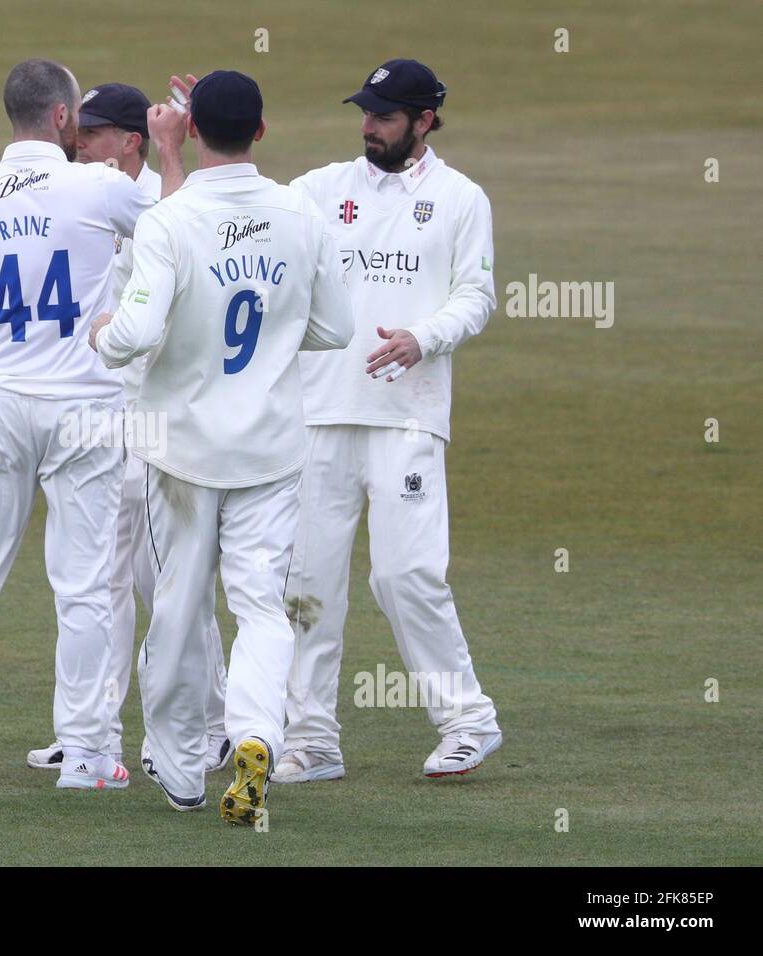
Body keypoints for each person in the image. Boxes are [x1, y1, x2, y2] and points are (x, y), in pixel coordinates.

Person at [0, 59, 185, 791]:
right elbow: (183, 229)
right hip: (83, 405)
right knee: (82, 585)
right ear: (62, 119)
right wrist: (174, 147)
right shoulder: (98, 184)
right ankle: (86, 756)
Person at [91, 70, 354, 823]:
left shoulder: (170, 220)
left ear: (193, 133)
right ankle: (257, 734)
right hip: (270, 450)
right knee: (262, 607)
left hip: (182, 450)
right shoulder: (300, 212)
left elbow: (136, 332)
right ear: (262, 133)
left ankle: (179, 773)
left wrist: (102, 333)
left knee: (178, 605)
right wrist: (274, 335)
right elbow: (336, 329)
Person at [276, 59, 502, 784]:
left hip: (407, 414)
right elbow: (242, 221)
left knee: (405, 574)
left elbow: (478, 295)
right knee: (307, 582)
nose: (369, 127)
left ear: (425, 121)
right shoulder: (319, 190)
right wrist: (179, 151)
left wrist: (421, 337)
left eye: (385, 116)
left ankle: (468, 721)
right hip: (319, 412)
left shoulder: (461, 199)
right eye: (366, 114)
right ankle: (311, 740)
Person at [25, 82, 230, 774]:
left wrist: (187, 143)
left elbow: (188, 245)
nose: (74, 144)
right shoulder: (81, 196)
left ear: (130, 143)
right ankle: (90, 729)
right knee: (97, 578)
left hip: (155, 424)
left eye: (89, 134)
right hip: (93, 422)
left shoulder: (163, 201)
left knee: (171, 579)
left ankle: (213, 724)